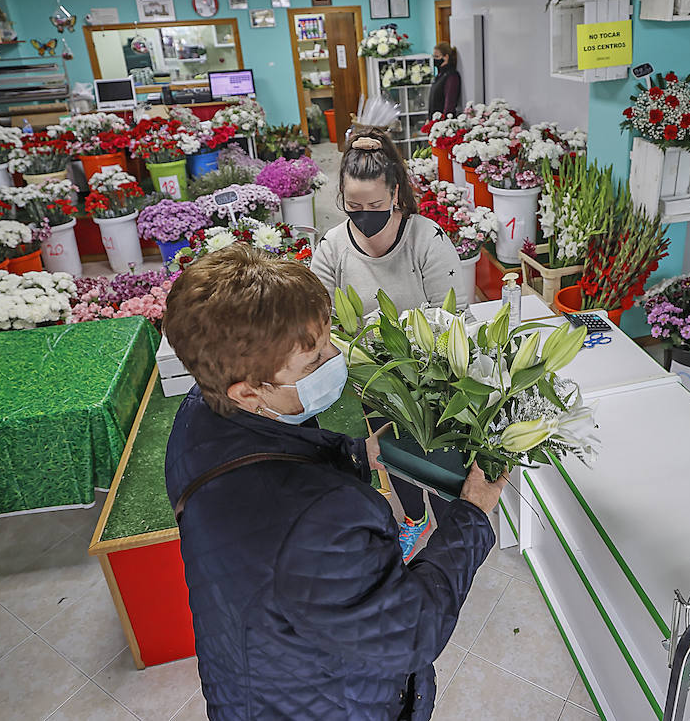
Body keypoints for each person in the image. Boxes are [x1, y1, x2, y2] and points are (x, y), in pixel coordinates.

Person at [163, 244, 506, 721]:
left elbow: (270, 454)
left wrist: (351, 453)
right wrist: (470, 515)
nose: (335, 358)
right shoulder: (321, 518)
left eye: (327, 342)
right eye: (312, 362)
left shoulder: (197, 417)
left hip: (257, 679)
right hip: (327, 703)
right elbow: (410, 632)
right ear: (248, 392)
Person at [310, 125, 462, 314]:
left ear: (395, 193)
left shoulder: (427, 240)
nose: (365, 214)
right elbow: (321, 325)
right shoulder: (331, 249)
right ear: (342, 192)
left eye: (375, 205)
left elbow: (456, 317)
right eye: (354, 205)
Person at [428, 42, 461, 118]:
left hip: (442, 122)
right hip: (434, 120)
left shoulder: (452, 76)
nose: (434, 59)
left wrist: (443, 120)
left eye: (437, 56)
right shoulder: (440, 75)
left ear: (446, 57)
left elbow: (449, 103)